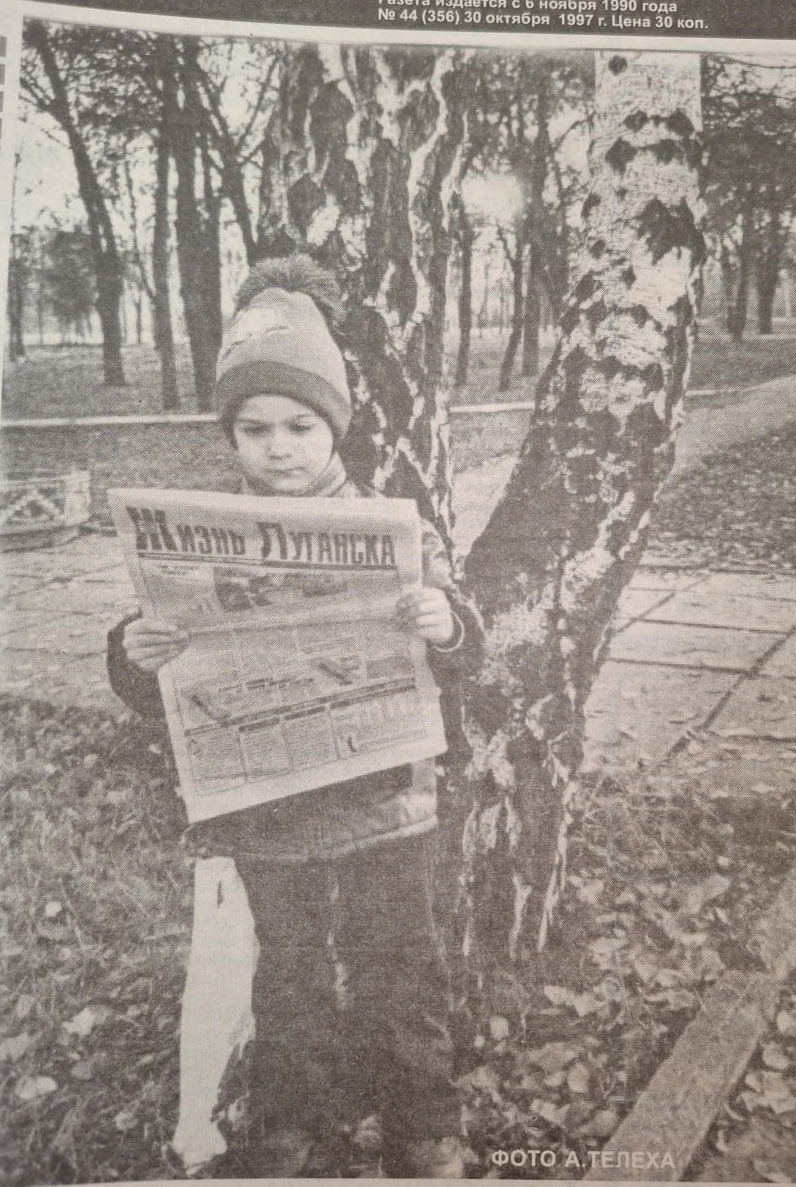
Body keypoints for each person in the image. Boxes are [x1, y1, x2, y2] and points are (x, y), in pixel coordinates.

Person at [106, 255, 484, 1178]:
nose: (279, 447)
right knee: (290, 976)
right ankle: (294, 1122)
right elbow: (159, 662)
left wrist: (446, 624)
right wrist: (135, 652)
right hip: (268, 806)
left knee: (400, 965)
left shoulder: (394, 524)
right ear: (231, 438)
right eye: (255, 428)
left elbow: (464, 646)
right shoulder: (198, 530)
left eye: (300, 425)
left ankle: (421, 1122)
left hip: (386, 797)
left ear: (335, 428)